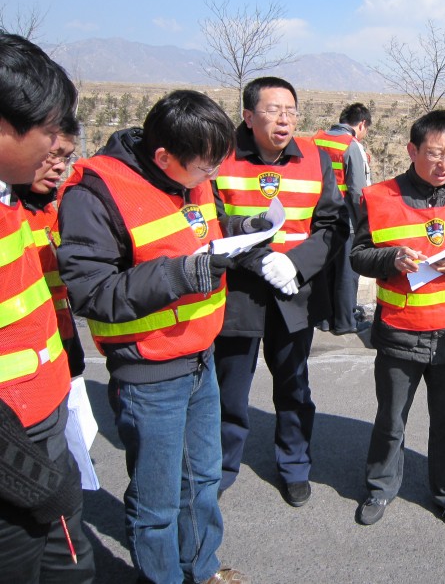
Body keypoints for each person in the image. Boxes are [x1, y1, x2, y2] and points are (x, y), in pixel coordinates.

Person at [57, 90, 259, 584]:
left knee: (203, 480)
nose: (210, 177)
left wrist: (246, 228)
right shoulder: (96, 194)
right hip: (149, 372)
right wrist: (182, 274)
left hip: (200, 358)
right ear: (165, 156)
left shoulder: (191, 174)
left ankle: (202, 570)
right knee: (157, 503)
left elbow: (202, 228)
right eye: (205, 167)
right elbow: (91, 291)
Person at [350, 109, 445, 533]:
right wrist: (391, 258)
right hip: (400, 331)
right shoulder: (379, 197)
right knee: (391, 419)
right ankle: (380, 488)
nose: (444, 164)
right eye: (435, 153)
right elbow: (358, 255)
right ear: (412, 150)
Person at [213, 77, 348, 506]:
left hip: (294, 294)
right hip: (237, 295)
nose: (284, 119)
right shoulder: (220, 157)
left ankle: (294, 465)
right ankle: (221, 467)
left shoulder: (315, 157)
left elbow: (334, 224)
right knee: (230, 390)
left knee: (293, 387)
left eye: (290, 111)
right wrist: (257, 260)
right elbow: (208, 222)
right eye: (273, 110)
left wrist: (296, 263)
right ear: (248, 116)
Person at [0, 32, 94, 583]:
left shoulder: (11, 196)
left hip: (44, 418)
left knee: (69, 566)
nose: (54, 151)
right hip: (17, 450)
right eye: (48, 132)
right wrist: (31, 477)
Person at [13, 113, 85, 377]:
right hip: (21, 362)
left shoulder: (49, 212)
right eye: (52, 155)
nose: (60, 167)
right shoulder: (10, 215)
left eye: (66, 157)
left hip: (61, 345)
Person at [312, 102, 372, 334]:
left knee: (325, 269)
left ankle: (324, 320)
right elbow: (357, 191)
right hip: (344, 218)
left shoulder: (316, 140)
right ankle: (346, 322)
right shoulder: (351, 146)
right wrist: (363, 222)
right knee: (347, 272)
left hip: (318, 217)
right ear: (362, 124)